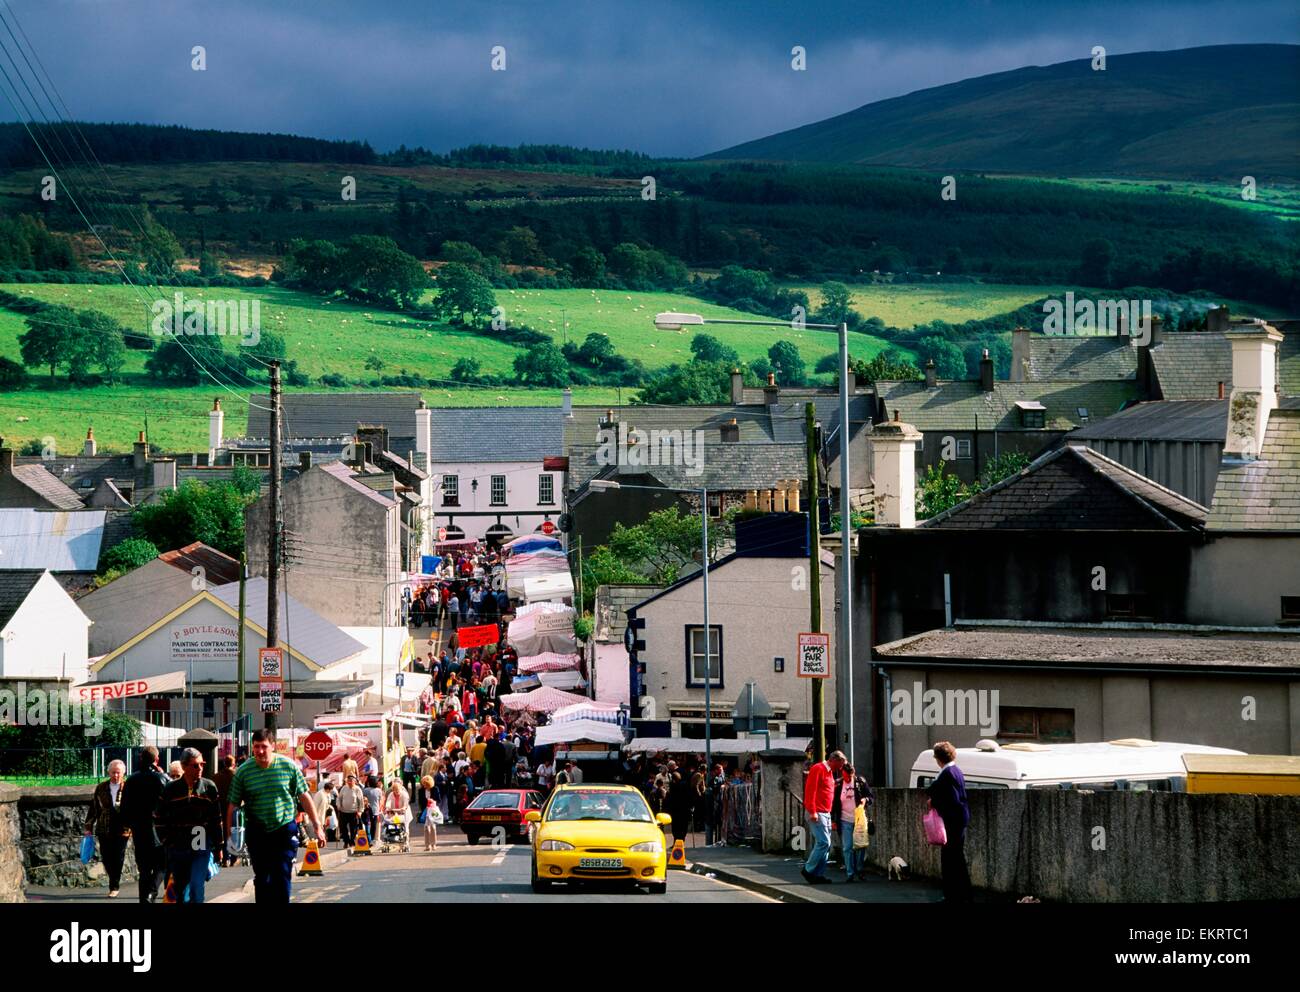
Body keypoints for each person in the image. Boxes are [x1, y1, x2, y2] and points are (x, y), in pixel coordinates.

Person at [224, 729, 325, 904]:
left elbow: (304, 796)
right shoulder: (243, 772)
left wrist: (317, 825)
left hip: (284, 828)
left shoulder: (289, 766)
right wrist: (229, 837)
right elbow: (232, 805)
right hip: (257, 830)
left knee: (281, 874)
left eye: (264, 746)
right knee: (263, 878)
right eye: (256, 747)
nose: (260, 751)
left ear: (273, 746)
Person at [156, 748, 224, 903]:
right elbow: (159, 817)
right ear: (184, 766)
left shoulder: (209, 787)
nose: (200, 768)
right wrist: (167, 840)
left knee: (195, 886)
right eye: (195, 765)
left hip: (200, 839)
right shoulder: (171, 789)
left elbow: (216, 819)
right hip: (178, 843)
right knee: (179, 889)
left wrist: (219, 846)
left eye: (202, 764)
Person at [120, 746, 169, 902]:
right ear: (156, 760)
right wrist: (162, 774)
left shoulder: (131, 780)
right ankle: (151, 893)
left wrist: (130, 824)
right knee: (162, 865)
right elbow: (172, 797)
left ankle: (144, 899)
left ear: (141, 758)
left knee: (144, 869)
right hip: (158, 830)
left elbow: (124, 807)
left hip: (139, 830)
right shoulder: (162, 779)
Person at [927, 741, 972, 902]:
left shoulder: (947, 773)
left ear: (939, 758)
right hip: (959, 819)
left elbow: (951, 799)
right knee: (956, 858)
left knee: (950, 859)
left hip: (953, 821)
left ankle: (953, 894)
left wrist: (935, 802)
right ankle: (960, 893)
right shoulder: (956, 771)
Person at [84, 759, 130, 898]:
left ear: (123, 773)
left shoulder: (128, 787)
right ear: (109, 772)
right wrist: (88, 826)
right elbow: (94, 808)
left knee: (118, 857)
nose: (116, 775)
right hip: (104, 827)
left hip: (122, 828)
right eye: (113, 772)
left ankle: (114, 886)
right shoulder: (101, 787)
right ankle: (113, 879)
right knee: (106, 857)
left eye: (119, 773)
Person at [801, 750, 845, 885]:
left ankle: (818, 874)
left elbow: (825, 788)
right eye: (839, 765)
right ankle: (808, 870)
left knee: (826, 844)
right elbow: (810, 790)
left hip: (825, 812)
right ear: (833, 760)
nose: (840, 768)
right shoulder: (818, 768)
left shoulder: (829, 772)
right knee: (823, 842)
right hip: (817, 812)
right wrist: (812, 811)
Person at [834, 763, 874, 882]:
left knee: (860, 846)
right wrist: (833, 820)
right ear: (843, 773)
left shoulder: (860, 782)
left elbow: (870, 797)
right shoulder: (839, 784)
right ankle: (850, 873)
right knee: (847, 847)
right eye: (846, 776)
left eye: (850, 776)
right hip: (844, 819)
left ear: (853, 773)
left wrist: (865, 800)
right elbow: (834, 803)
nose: (848, 779)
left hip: (859, 819)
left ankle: (860, 870)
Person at [211, 754, 237, 866]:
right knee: (233, 831)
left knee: (222, 831)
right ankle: (233, 857)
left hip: (220, 806)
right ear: (233, 763)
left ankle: (224, 857)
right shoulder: (236, 775)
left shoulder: (216, 776)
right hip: (233, 806)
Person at [335, 774, 364, 848]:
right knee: (343, 827)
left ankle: (352, 841)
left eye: (351, 781)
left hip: (353, 812)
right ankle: (346, 841)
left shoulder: (357, 789)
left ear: (354, 781)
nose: (350, 782)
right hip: (343, 811)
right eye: (348, 781)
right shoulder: (344, 788)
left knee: (353, 828)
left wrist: (360, 811)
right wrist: (338, 805)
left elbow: (361, 801)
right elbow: (339, 798)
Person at [420, 774, 439, 851]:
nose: (425, 786)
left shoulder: (435, 789)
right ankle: (427, 845)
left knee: (433, 827)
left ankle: (434, 844)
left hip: (433, 809)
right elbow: (420, 802)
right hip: (426, 810)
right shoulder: (421, 791)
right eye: (423, 784)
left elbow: (439, 799)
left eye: (426, 785)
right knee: (426, 828)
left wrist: (433, 801)